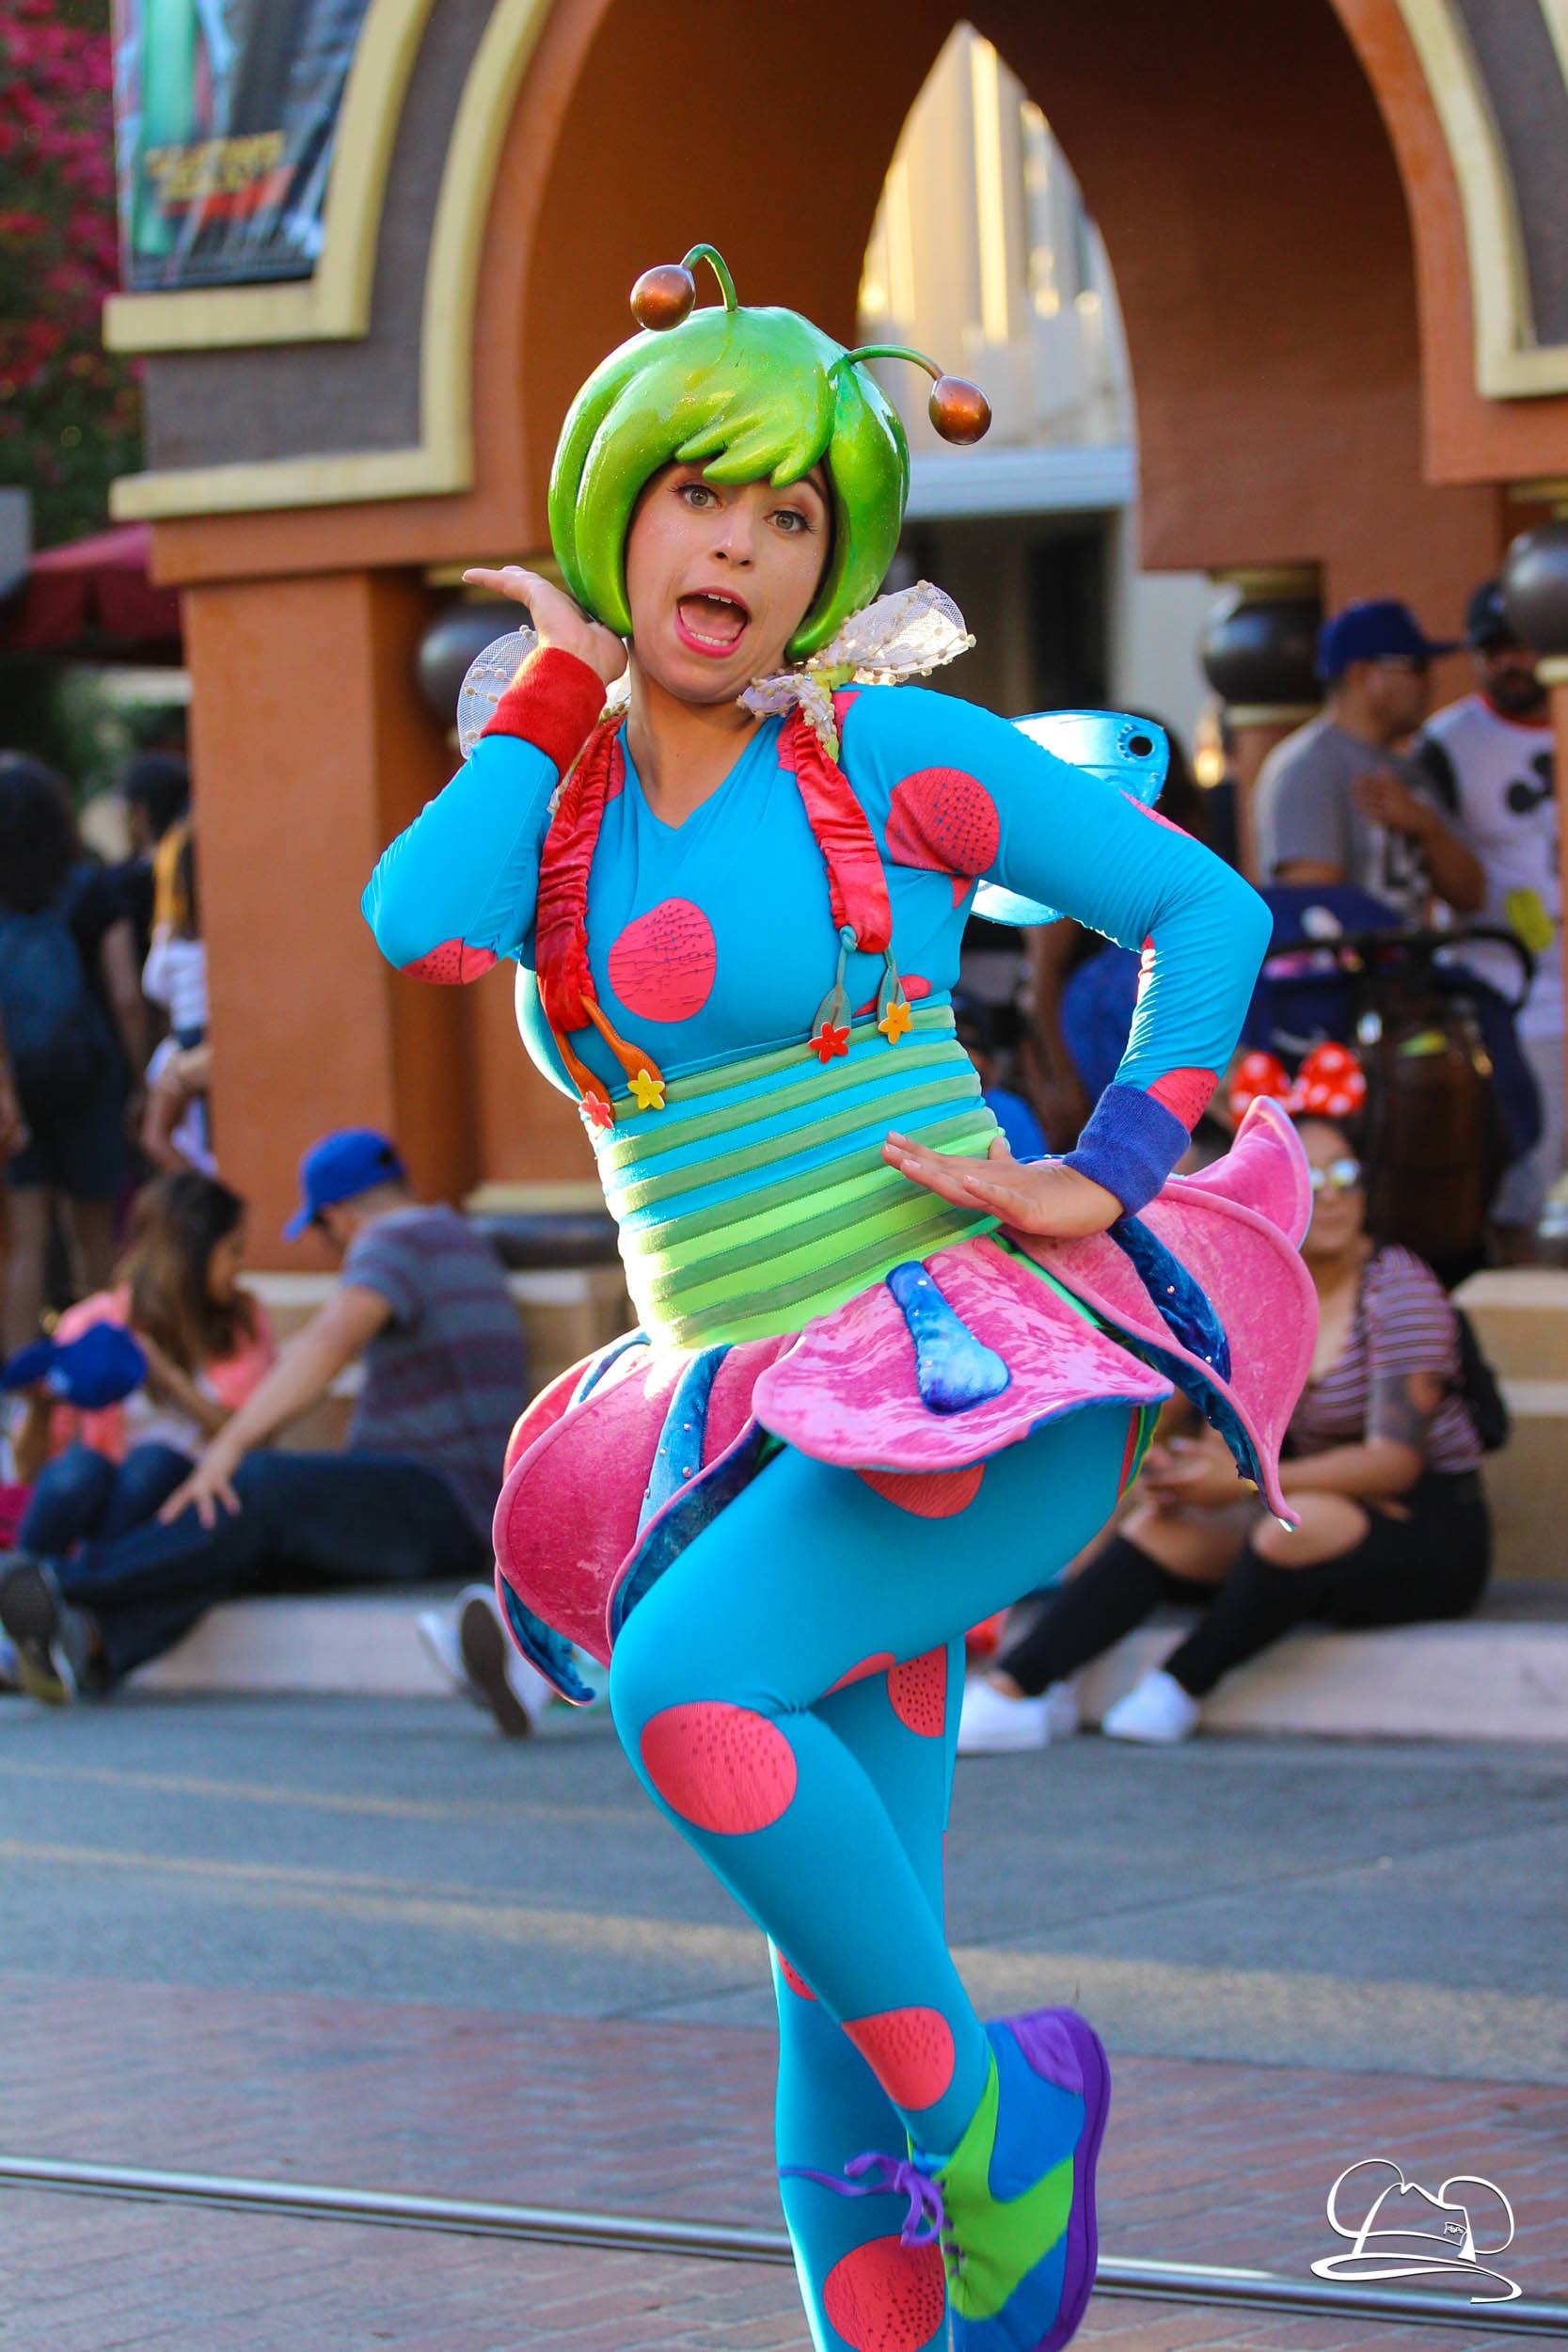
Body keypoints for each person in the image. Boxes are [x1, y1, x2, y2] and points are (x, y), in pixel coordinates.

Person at [360, 244, 1298, 2352]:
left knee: (684, 1691)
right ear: (616, 515)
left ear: (825, 565)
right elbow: (419, 922)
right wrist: (546, 693)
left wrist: (1106, 1166)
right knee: (830, 1954)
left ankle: (1000, 2123)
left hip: (961, 1379)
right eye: (700, 494)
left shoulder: (886, 758)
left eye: (789, 516)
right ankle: (918, 2299)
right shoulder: (548, 800)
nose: (739, 548)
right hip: (746, 1416)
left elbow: (1200, 907)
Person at [959, 1114, 1490, 1753]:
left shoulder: (1396, 1288)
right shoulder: (1263, 1285)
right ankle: (1021, 1687)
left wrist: (1242, 1485)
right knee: (1161, 1525)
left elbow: (1395, 1462)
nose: (1331, 1195)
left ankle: (1182, 1684)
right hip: (1294, 1505)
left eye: (1344, 1175)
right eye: (1311, 1177)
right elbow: (1206, 1406)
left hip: (1424, 1526)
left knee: (1295, 1526)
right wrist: (1178, 1471)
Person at [0, 1127, 527, 1706]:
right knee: (236, 1544)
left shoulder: (395, 1240)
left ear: (336, 1218)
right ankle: (93, 1645)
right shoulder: (457, 1236)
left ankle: (57, 1585)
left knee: (253, 1486)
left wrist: (229, 1449)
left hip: (439, 1500)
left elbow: (327, 1344)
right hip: (448, 1511)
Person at [8, 1170, 275, 1562]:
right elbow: (29, 1474)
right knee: (79, 1470)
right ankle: (21, 1585)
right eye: (233, 1251)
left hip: (191, 1507)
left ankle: (81, 1579)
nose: (240, 1265)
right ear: (190, 1255)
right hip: (100, 1510)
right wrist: (40, 1407)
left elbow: (256, 1441)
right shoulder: (92, 1324)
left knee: (151, 1463)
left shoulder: (242, 1322)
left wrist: (168, 1378)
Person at [1412, 580, 1562, 1258]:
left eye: (1522, 644)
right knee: (1523, 1182)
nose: (1511, 661)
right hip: (1513, 992)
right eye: (1493, 648)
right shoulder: (1446, 742)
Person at [0, 755, 149, 1354]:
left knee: (25, 1244)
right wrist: (140, 1080)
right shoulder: (92, 889)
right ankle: (106, 1373)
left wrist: (4, 1090)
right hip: (88, 1077)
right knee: (96, 1237)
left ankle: (19, 1389)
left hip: (18, 1086)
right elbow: (126, 997)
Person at [1253, 600, 1484, 924]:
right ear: (1361, 675)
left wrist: (1426, 827)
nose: (1429, 683)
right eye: (1416, 666)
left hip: (1412, 954)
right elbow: (1315, 910)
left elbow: (1473, 895)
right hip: (1355, 958)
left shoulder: (1409, 768)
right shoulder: (1308, 767)